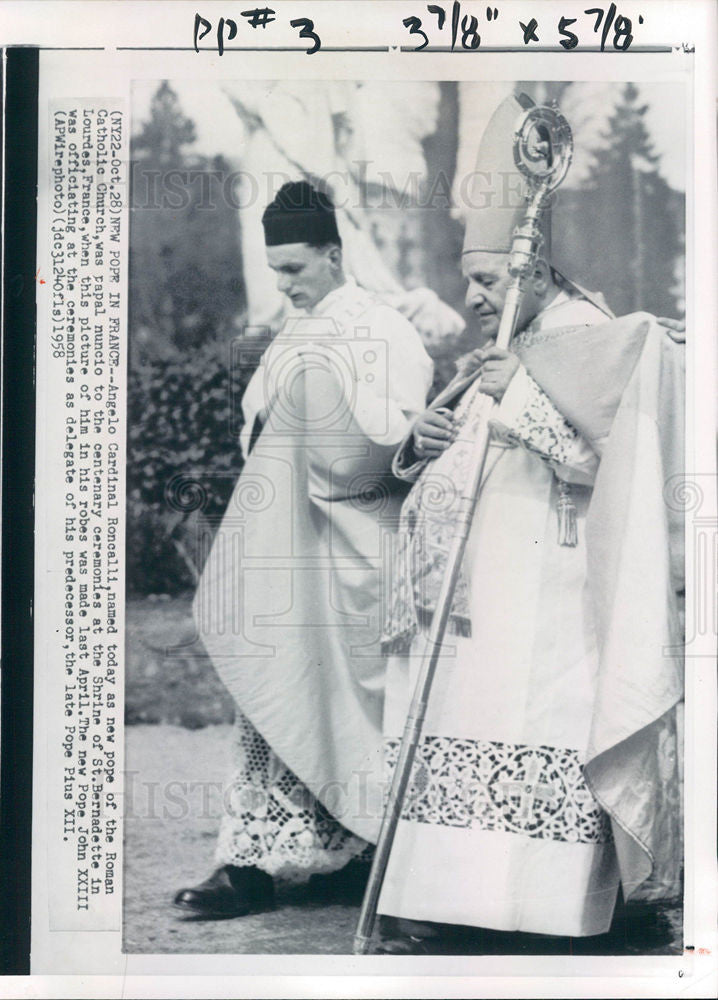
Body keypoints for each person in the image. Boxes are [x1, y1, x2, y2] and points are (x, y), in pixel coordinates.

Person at [375, 93, 684, 954]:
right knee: (460, 726)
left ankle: (540, 913)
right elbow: (468, 449)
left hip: (549, 585)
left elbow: (611, 455)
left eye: (484, 281)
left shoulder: (589, 332)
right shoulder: (503, 343)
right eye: (468, 281)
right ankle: (453, 899)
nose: (472, 297)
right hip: (483, 593)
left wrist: (518, 395)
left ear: (534, 270)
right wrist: (426, 440)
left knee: (531, 725)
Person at [174, 181, 437, 918]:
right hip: (290, 545)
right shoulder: (294, 334)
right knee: (278, 690)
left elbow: (401, 445)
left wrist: (322, 429)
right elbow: (259, 433)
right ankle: (249, 863)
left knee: (350, 708)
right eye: (274, 271)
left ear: (334, 253)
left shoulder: (385, 330)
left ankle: (355, 856)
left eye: (294, 268)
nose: (283, 285)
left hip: (355, 541)